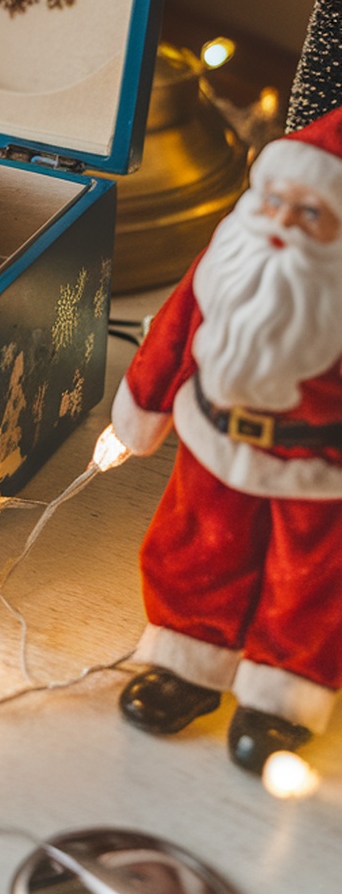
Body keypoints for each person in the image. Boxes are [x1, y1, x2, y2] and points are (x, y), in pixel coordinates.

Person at [110, 106, 342, 773]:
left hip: (317, 468)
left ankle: (281, 695)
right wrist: (141, 409)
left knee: (310, 581)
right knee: (194, 549)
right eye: (275, 203)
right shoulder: (229, 253)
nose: (281, 225)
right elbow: (175, 331)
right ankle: (187, 660)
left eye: (310, 214)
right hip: (213, 442)